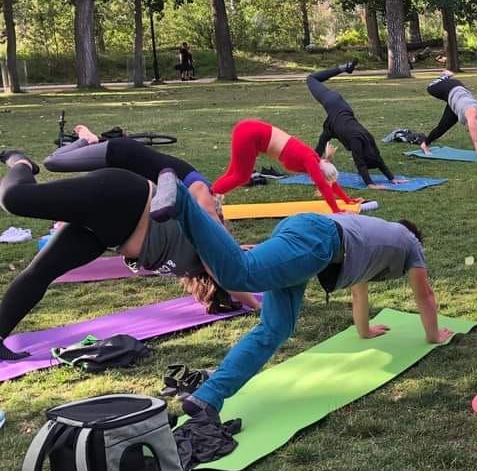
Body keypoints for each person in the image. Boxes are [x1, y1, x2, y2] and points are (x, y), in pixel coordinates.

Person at [148, 169, 453, 420]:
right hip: (316, 241)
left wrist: (365, 330)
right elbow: (424, 295)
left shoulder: (376, 239)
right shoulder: (411, 245)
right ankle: (184, 198)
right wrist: (433, 334)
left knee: (275, 329)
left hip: (311, 235)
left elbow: (359, 290)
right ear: (416, 238)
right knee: (239, 273)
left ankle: (207, 397)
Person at [0, 151, 253, 360]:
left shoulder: (205, 269)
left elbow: (226, 277)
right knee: (15, 199)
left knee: (42, 272)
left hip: (107, 235)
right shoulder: (214, 232)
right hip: (122, 199)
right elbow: (232, 275)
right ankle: (20, 162)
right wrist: (258, 305)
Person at [43, 126, 222, 220]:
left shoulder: (190, 195)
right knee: (52, 162)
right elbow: (212, 220)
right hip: (122, 153)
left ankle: (94, 140)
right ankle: (86, 139)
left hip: (125, 165)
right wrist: (233, 250)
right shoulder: (201, 190)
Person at [212, 119, 357, 213]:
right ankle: (211, 196)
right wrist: (336, 210)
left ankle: (211, 194)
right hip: (251, 134)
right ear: (324, 166)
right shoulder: (310, 160)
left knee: (234, 174)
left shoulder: (315, 161)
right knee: (241, 176)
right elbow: (324, 185)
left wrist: (347, 200)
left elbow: (329, 183)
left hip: (248, 130)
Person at [306, 61, 406, 189]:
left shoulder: (368, 140)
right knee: (311, 78)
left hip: (341, 111)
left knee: (323, 140)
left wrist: (392, 179)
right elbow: (363, 163)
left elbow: (377, 161)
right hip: (334, 107)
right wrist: (370, 183)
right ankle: (342, 68)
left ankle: (343, 68)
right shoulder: (357, 142)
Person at [420, 72, 477, 162]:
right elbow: (476, 140)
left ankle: (424, 144)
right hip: (449, 87)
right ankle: (444, 77)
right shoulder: (473, 118)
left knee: (443, 127)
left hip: (458, 99)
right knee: (430, 88)